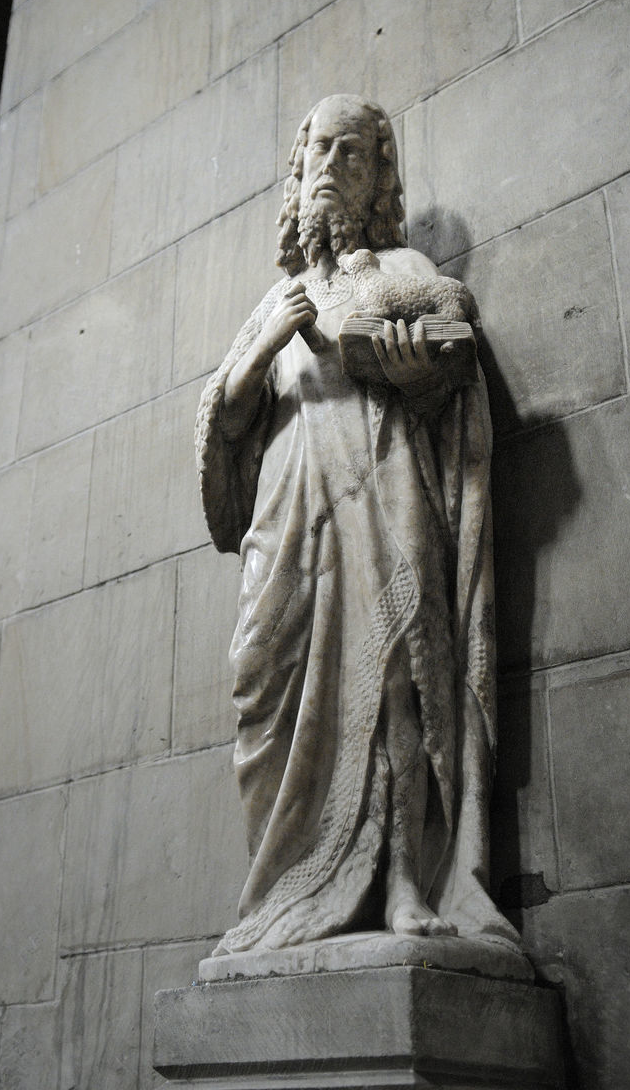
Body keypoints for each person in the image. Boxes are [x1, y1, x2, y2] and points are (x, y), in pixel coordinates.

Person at [195, 94, 518, 955]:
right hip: (288, 510)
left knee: (398, 678)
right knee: (261, 679)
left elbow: (451, 346)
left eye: (354, 155)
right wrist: (266, 350)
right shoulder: (274, 302)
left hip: (381, 486)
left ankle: (406, 882)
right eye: (320, 155)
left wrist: (412, 364)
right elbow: (225, 420)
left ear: (379, 179)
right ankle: (280, 892)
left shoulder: (401, 267)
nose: (333, 170)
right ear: (297, 180)